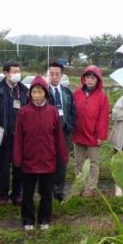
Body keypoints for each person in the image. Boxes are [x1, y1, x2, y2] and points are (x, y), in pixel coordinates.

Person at [13, 76, 68, 230]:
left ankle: (44, 219)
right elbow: (18, 137)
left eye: (40, 92)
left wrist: (63, 155)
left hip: (48, 159)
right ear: (30, 94)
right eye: (34, 92)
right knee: (28, 194)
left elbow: (58, 136)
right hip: (28, 159)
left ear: (45, 93)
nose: (36, 95)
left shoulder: (52, 111)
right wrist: (17, 158)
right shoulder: (24, 112)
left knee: (46, 193)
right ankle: (28, 220)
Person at [0, 61, 28, 205]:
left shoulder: (23, 90)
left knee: (19, 165)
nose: (17, 74)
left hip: (19, 134)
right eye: (14, 71)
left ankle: (17, 194)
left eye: (19, 71)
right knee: (3, 165)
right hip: (1, 132)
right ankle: (3, 195)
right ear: (5, 73)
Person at [72, 65, 110, 197]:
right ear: (84, 79)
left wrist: (101, 135)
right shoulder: (77, 93)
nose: (89, 80)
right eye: (87, 77)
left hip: (93, 135)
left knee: (93, 162)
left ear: (98, 79)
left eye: (93, 77)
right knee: (79, 162)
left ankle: (90, 187)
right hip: (78, 133)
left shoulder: (102, 97)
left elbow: (104, 118)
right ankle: (79, 185)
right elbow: (72, 112)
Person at [47, 61, 76, 201]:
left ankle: (59, 190)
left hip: (64, 132)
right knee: (48, 160)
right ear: (48, 74)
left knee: (62, 161)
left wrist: (70, 126)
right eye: (51, 74)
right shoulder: (43, 92)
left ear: (61, 75)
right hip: (48, 133)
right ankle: (46, 188)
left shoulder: (66, 92)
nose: (54, 77)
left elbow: (72, 111)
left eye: (57, 74)